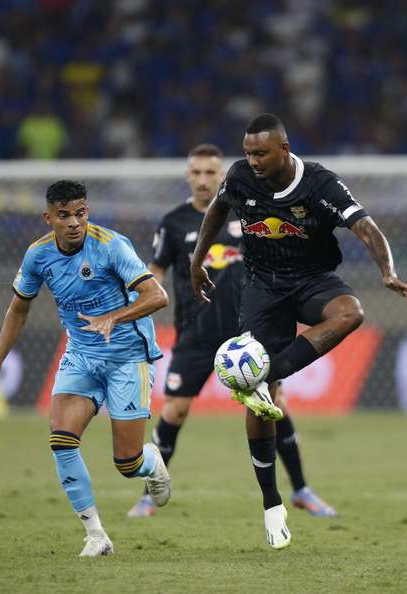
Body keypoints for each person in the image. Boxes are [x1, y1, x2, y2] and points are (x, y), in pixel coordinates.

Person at [190, 114, 407, 550]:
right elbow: (218, 210)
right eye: (248, 153)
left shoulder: (319, 184)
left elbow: (366, 227)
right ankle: (272, 503)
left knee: (350, 313)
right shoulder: (240, 177)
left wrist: (387, 272)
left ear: (284, 148)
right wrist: (195, 260)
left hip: (313, 280)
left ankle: (267, 372)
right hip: (262, 286)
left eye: (261, 153)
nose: (253, 160)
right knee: (261, 406)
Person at [128, 143, 337, 520]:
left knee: (275, 405)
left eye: (212, 173)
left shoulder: (247, 213)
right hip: (194, 332)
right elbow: (155, 273)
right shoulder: (173, 223)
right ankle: (148, 495)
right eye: (198, 173)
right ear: (188, 176)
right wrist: (139, 303)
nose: (204, 180)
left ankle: (302, 490)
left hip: (250, 333)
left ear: (223, 176)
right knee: (174, 409)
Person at [0, 180, 172, 557]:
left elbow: (157, 295)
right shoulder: (38, 256)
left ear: (88, 213)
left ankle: (151, 462)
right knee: (61, 438)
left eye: (80, 213)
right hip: (81, 354)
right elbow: (19, 308)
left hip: (127, 357)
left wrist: (114, 316)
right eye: (64, 215)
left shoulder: (112, 245)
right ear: (49, 218)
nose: (73, 222)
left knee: (126, 463)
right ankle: (96, 535)